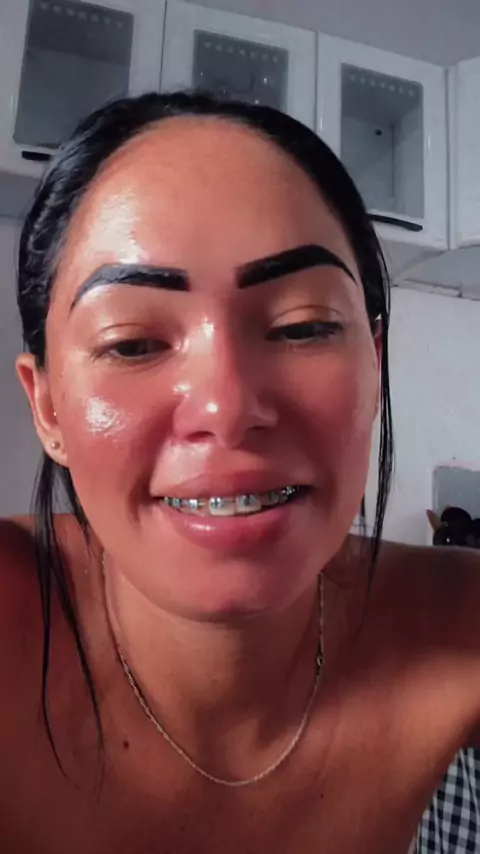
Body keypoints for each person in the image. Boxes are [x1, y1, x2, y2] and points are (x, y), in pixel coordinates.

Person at [1, 91, 479, 854]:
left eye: (302, 327)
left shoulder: (458, 631)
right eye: (133, 343)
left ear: (375, 363)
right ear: (48, 405)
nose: (226, 408)